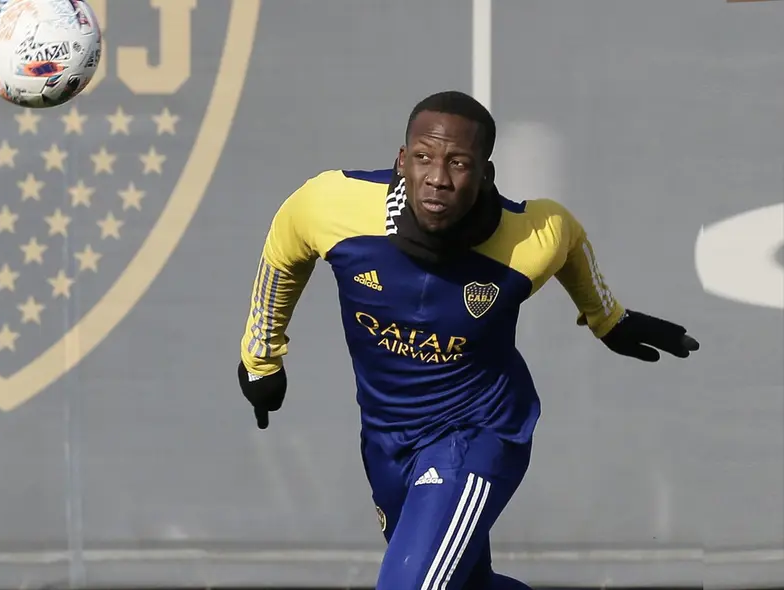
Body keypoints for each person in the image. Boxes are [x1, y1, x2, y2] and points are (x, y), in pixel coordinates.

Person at [235, 90, 699, 590]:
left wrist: (608, 318)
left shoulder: (528, 237)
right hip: (386, 440)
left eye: (458, 163)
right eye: (424, 158)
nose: (438, 177)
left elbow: (568, 241)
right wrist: (261, 357)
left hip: (477, 434)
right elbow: (284, 249)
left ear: (485, 174)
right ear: (402, 161)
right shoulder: (332, 205)